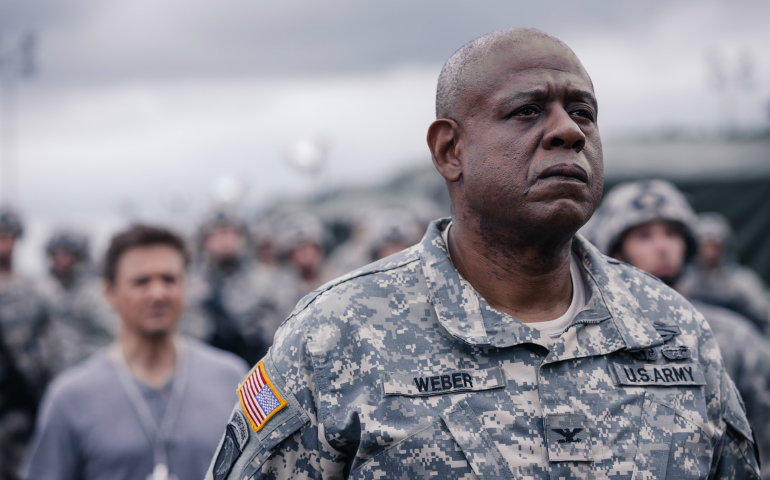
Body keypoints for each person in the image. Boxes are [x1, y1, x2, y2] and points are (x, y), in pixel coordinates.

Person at [206, 28, 759, 479]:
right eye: (527, 111)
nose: (568, 131)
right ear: (451, 150)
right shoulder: (336, 336)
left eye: (584, 113)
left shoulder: (673, 332)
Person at [20, 224, 248, 480]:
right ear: (109, 292)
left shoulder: (233, 380)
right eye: (141, 281)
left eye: (169, 279)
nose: (158, 293)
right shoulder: (70, 398)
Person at [589, 179, 770, 477]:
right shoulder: (593, 334)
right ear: (616, 250)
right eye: (644, 236)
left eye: (672, 233)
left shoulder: (732, 335)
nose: (663, 247)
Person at [182, 210, 302, 366]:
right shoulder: (188, 286)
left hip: (263, 373)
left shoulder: (271, 282)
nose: (224, 240)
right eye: (216, 234)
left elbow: (292, 332)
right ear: (204, 241)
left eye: (230, 233)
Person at [0, 208, 52, 480]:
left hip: (20, 404)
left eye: (8, 236)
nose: (3, 243)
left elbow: (45, 341)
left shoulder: (33, 290)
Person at [39, 229, 117, 374]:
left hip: (88, 373)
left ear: (79, 258)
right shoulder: (54, 291)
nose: (61, 261)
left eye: (67, 255)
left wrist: (82, 358)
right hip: (57, 375)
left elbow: (112, 334)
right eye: (57, 255)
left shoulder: (92, 293)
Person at [679, 212, 770, 331]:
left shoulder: (742, 280)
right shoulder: (685, 280)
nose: (709, 253)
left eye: (714, 246)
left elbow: (765, 311)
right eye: (704, 246)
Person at [274, 212, 328, 294]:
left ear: (318, 250)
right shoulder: (280, 289)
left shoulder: (339, 277)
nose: (304, 251)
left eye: (308, 245)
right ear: (290, 256)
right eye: (297, 247)